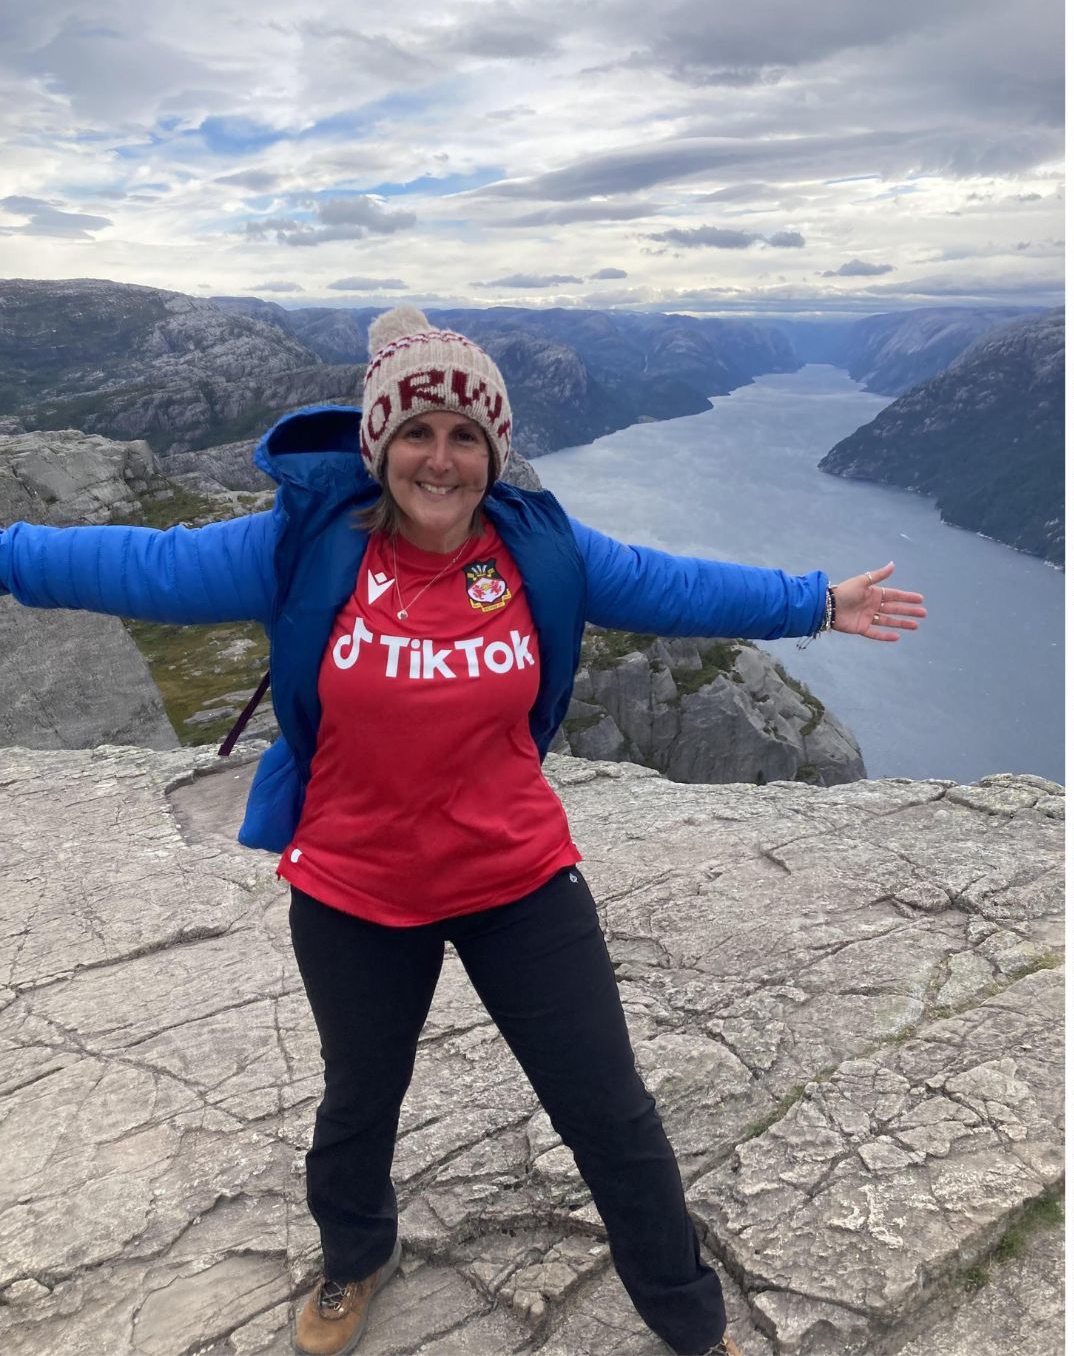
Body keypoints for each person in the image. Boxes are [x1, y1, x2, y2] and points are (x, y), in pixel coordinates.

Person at [0, 307, 926, 1356]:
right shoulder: (304, 549)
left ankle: (690, 1323)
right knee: (359, 1104)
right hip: (355, 890)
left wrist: (813, 601)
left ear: (493, 450)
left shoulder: (540, 552)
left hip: (518, 879)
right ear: (379, 443)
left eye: (464, 435)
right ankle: (354, 1258)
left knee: (611, 1115)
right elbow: (132, 566)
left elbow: (673, 586)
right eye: (416, 431)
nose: (439, 458)